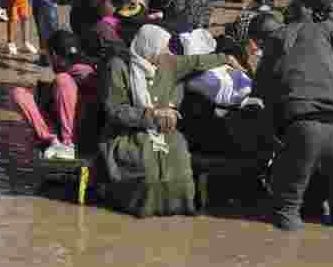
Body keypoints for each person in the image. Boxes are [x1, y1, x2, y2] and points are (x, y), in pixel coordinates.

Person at [245, 12, 333, 231]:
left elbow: (259, 93)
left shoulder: (277, 40)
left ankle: (288, 256)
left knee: (287, 212)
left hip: (304, 126)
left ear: (261, 39)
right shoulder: (327, 30)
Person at [99, 24, 236, 217]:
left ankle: (178, 209)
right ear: (148, 47)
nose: (166, 52)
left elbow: (195, 61)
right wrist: (151, 114)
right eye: (162, 48)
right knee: (148, 170)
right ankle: (142, 207)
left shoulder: (167, 63)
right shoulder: (119, 67)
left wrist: (226, 58)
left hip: (163, 129)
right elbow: (115, 110)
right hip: (127, 133)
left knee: (180, 163)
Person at [11, 30, 98, 160]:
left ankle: (67, 143)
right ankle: (52, 139)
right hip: (58, 132)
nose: (49, 61)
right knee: (19, 93)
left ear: (54, 55)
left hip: (81, 133)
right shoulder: (70, 73)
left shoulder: (80, 73)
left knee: (62, 80)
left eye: (48, 56)